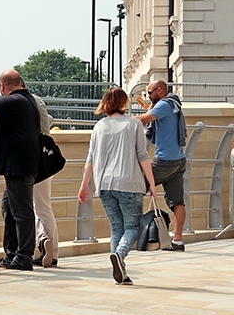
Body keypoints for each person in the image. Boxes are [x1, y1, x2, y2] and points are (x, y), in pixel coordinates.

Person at [78, 87, 157, 285]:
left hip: (104, 184)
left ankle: (122, 273)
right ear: (124, 103)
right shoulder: (134, 124)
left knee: (116, 228)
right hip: (129, 182)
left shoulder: (99, 127)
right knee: (132, 227)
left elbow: (91, 158)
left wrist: (84, 185)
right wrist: (152, 183)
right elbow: (142, 156)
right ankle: (119, 256)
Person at [0, 70, 39, 271]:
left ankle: (24, 257)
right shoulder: (26, 99)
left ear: (2, 87)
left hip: (19, 166)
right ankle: (11, 254)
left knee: (21, 210)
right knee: (9, 207)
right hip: (19, 165)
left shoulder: (15, 100)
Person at [135, 79, 187, 251]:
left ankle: (134, 233)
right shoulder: (173, 104)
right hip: (178, 160)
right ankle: (177, 241)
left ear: (159, 90)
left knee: (135, 186)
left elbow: (143, 119)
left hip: (165, 161)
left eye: (150, 93)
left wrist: (121, 121)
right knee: (178, 202)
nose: (148, 96)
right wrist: (150, 106)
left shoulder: (164, 105)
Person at [30, 93, 59, 268]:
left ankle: (46, 243)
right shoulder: (37, 101)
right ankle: (46, 244)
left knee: (38, 206)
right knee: (41, 206)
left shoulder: (25, 102)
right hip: (46, 157)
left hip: (35, 160)